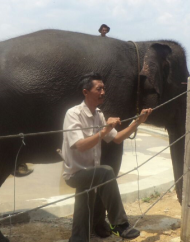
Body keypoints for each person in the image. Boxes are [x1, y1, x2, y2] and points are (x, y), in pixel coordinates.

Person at [61, 72, 152, 241]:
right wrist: (104, 130)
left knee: (83, 206)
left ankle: (78, 238)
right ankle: (119, 224)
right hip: (75, 174)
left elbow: (117, 138)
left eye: (104, 88)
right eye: (99, 88)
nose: (103, 92)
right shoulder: (73, 114)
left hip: (90, 173)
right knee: (106, 172)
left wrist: (137, 122)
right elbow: (80, 145)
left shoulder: (99, 115)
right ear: (86, 92)